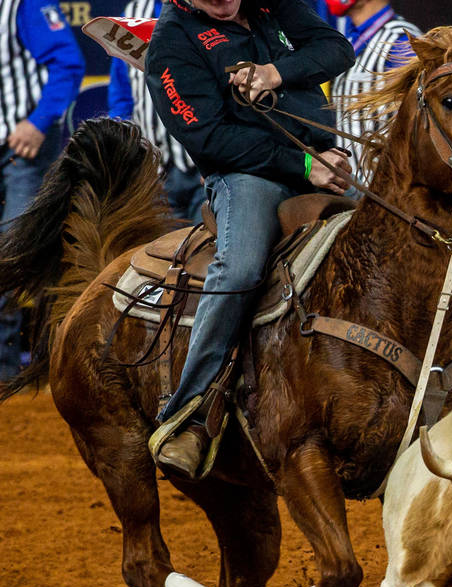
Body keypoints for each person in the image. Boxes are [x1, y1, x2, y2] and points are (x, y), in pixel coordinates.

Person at [147, 0, 354, 478]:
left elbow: (336, 49)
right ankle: (190, 415)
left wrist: (273, 73)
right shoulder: (173, 42)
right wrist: (305, 166)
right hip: (246, 177)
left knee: (382, 243)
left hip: (321, 160)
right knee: (238, 268)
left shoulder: (269, 4)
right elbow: (207, 137)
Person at [0, 0, 84, 381]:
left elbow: (68, 63)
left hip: (25, 146)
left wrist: (38, 121)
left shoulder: (23, 5)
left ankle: (50, 359)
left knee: (18, 248)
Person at [108, 0, 206, 223]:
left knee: (206, 250)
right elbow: (122, 95)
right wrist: (125, 152)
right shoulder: (133, 13)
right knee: (158, 253)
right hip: (155, 172)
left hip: (204, 167)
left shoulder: (211, 9)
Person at [325, 0, 420, 178]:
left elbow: (421, 123)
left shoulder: (401, 40)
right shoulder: (350, 38)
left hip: (386, 189)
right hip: (355, 186)